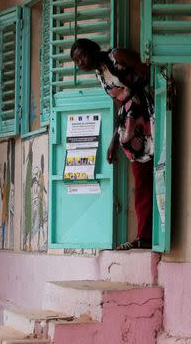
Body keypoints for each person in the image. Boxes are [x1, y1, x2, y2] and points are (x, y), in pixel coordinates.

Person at [70, 39, 154, 250]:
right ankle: (145, 237)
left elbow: (150, 70)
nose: (81, 63)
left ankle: (154, 235)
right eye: (76, 61)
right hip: (131, 127)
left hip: (149, 114)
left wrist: (148, 102)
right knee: (142, 181)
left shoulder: (117, 56)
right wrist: (113, 141)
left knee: (160, 173)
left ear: (92, 49)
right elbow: (120, 104)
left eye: (82, 56)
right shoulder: (101, 75)